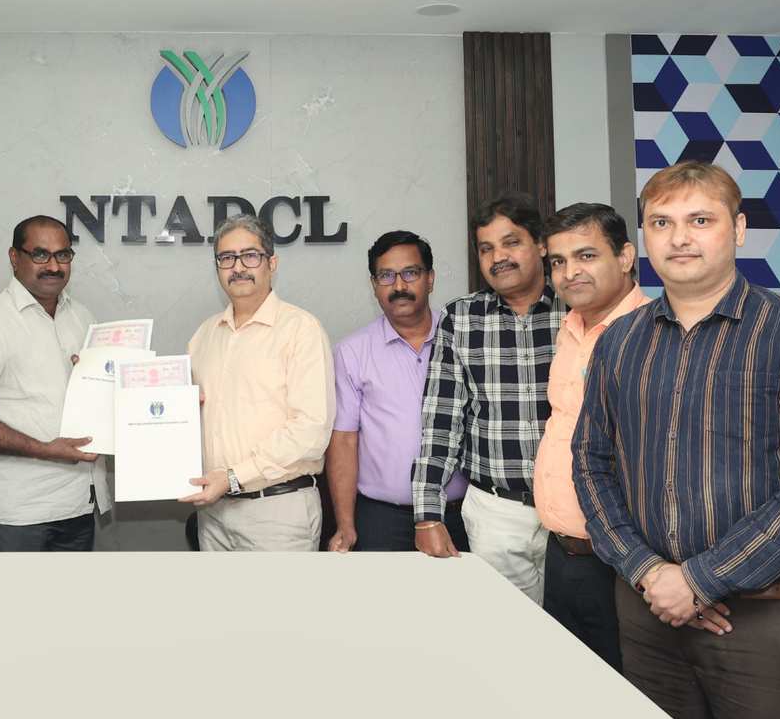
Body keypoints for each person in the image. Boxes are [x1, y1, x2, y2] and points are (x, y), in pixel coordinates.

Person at [575, 161, 780, 718]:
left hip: (764, 621)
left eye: (700, 220)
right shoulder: (619, 341)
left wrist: (701, 580)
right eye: (661, 223)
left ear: (739, 229)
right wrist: (648, 571)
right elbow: (591, 462)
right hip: (647, 613)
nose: (679, 238)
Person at [414, 192, 564, 603]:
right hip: (497, 513)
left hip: (576, 514)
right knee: (505, 629)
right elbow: (441, 421)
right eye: (486, 249)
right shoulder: (461, 318)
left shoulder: (577, 310)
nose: (498, 257)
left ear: (541, 245)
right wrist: (427, 515)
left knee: (578, 633)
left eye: (511, 242)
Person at [0, 216, 107, 551]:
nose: (54, 266)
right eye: (40, 255)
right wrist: (44, 449)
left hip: (78, 503)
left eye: (63, 255)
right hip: (18, 512)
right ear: (15, 257)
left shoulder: (82, 318)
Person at [534, 202, 650, 670]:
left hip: (622, 562)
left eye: (586, 256)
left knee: (626, 688)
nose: (569, 273)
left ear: (625, 257)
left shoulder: (653, 333)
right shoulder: (570, 328)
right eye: (558, 261)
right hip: (563, 551)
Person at [179, 214, 335, 551]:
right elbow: (183, 416)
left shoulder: (301, 330)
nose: (238, 267)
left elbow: (311, 430)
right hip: (214, 513)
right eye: (226, 258)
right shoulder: (204, 336)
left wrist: (234, 476)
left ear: (271, 263)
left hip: (277, 512)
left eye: (250, 256)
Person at [327, 231, 469, 552]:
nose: (399, 286)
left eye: (410, 273)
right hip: (382, 520)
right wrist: (346, 525)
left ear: (430, 279)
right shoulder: (352, 352)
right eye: (386, 276)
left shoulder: (463, 340)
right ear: (373, 284)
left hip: (457, 514)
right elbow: (344, 441)